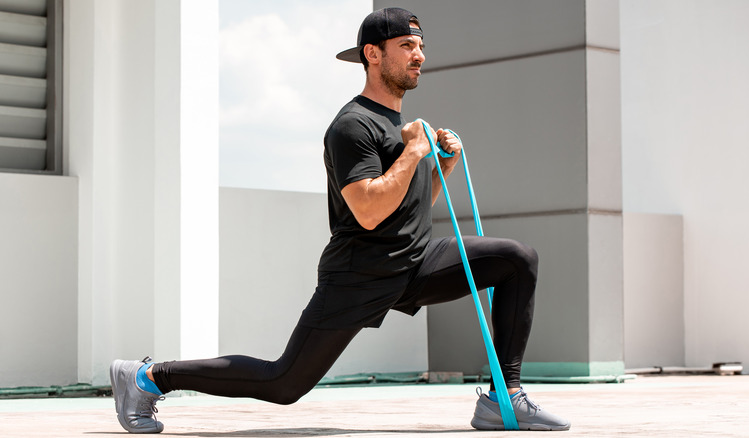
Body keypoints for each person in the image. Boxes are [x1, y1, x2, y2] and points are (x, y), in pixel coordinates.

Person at [109, 7, 570, 433]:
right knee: (283, 384)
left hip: (412, 262)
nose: (420, 56)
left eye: (421, 46)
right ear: (374, 54)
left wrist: (441, 168)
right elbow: (369, 211)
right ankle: (148, 377)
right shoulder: (352, 126)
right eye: (407, 46)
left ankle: (503, 399)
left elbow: (406, 209)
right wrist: (413, 151)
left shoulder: (400, 126)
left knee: (516, 259)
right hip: (360, 272)